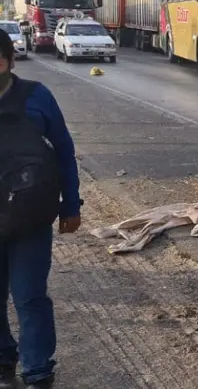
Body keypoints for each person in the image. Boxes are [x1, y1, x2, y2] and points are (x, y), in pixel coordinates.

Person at [0, 29, 81, 388]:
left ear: (6, 60)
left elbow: (63, 153)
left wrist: (71, 204)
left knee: (29, 296)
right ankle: (4, 358)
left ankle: (37, 371)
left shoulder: (37, 98)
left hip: (30, 217)